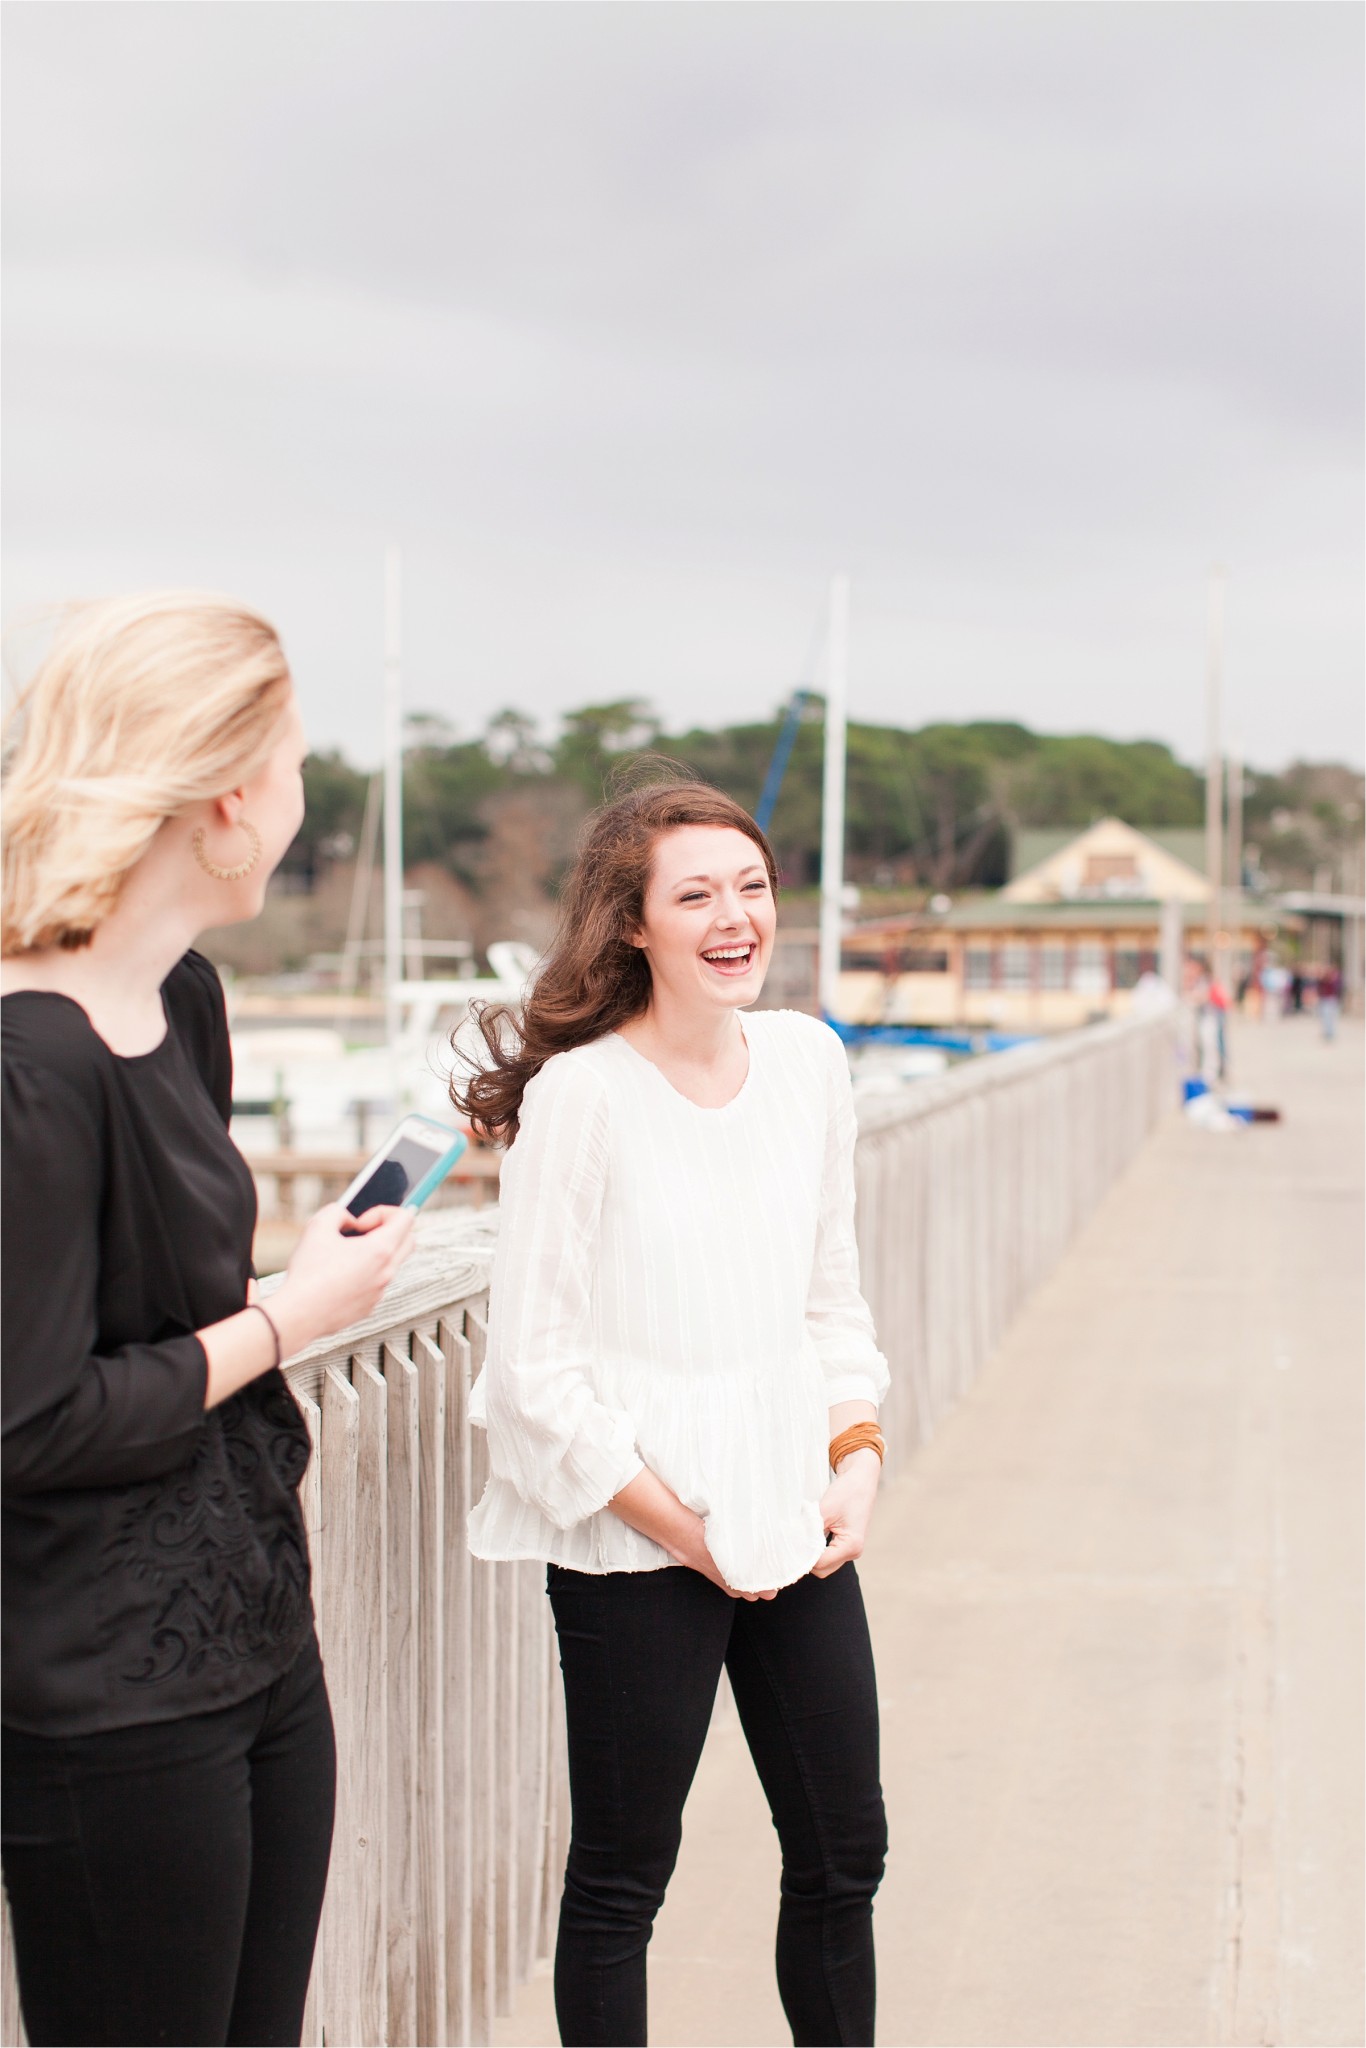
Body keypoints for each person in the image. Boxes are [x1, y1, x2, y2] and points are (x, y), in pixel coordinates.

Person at [1, 594, 415, 2048]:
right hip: (100, 1691)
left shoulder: (183, 998)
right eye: (298, 764)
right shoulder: (26, 1062)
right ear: (232, 797)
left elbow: (147, 1311)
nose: (304, 802)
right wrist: (294, 1318)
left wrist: (269, 1290)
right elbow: (30, 1418)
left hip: (254, 1633)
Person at [455, 776, 889, 2048]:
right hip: (637, 1537)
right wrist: (688, 1533)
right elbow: (531, 1378)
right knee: (622, 1880)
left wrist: (852, 1455)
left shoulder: (809, 1059)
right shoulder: (583, 1096)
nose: (734, 915)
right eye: (693, 893)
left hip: (793, 1511)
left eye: (750, 885)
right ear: (632, 924)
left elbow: (830, 1298)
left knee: (843, 1851)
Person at [1318, 963, 1342, 1042]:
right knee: (1325, 1017)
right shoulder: (1323, 980)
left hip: (1331, 999)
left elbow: (1337, 989)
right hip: (1325, 999)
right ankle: (1327, 1032)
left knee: (1330, 1017)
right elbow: (1320, 988)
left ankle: (1330, 1032)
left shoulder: (1335, 980)